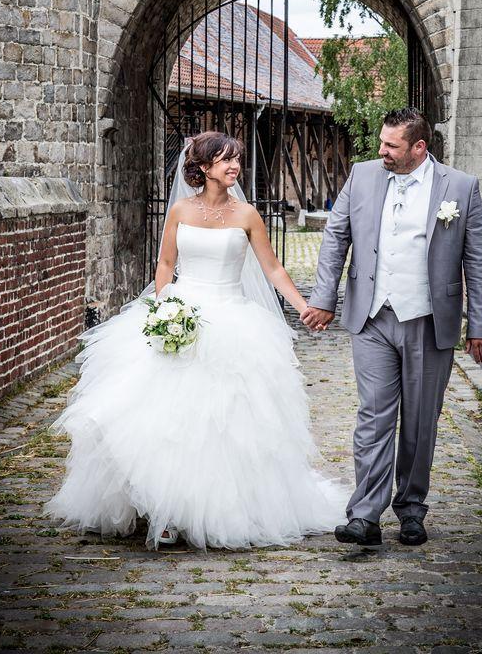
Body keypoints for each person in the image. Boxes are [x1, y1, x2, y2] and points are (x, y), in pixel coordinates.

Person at [45, 131, 346, 550]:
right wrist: (163, 308)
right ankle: (165, 513)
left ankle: (217, 509)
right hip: (182, 315)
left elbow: (273, 270)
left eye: (236, 159)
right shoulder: (181, 210)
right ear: (203, 167)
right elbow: (166, 264)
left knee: (221, 425)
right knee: (167, 420)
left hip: (232, 323)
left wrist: (306, 305)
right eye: (224, 159)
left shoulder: (248, 216)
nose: (233, 166)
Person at [302, 108, 482, 548]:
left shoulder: (460, 188)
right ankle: (365, 515)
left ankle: (410, 508)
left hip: (428, 318)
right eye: (382, 143)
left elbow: (478, 260)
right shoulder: (363, 175)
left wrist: (480, 324)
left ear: (419, 148)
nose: (382, 151)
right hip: (372, 316)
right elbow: (336, 235)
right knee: (373, 415)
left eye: (391, 145)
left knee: (420, 420)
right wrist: (323, 297)